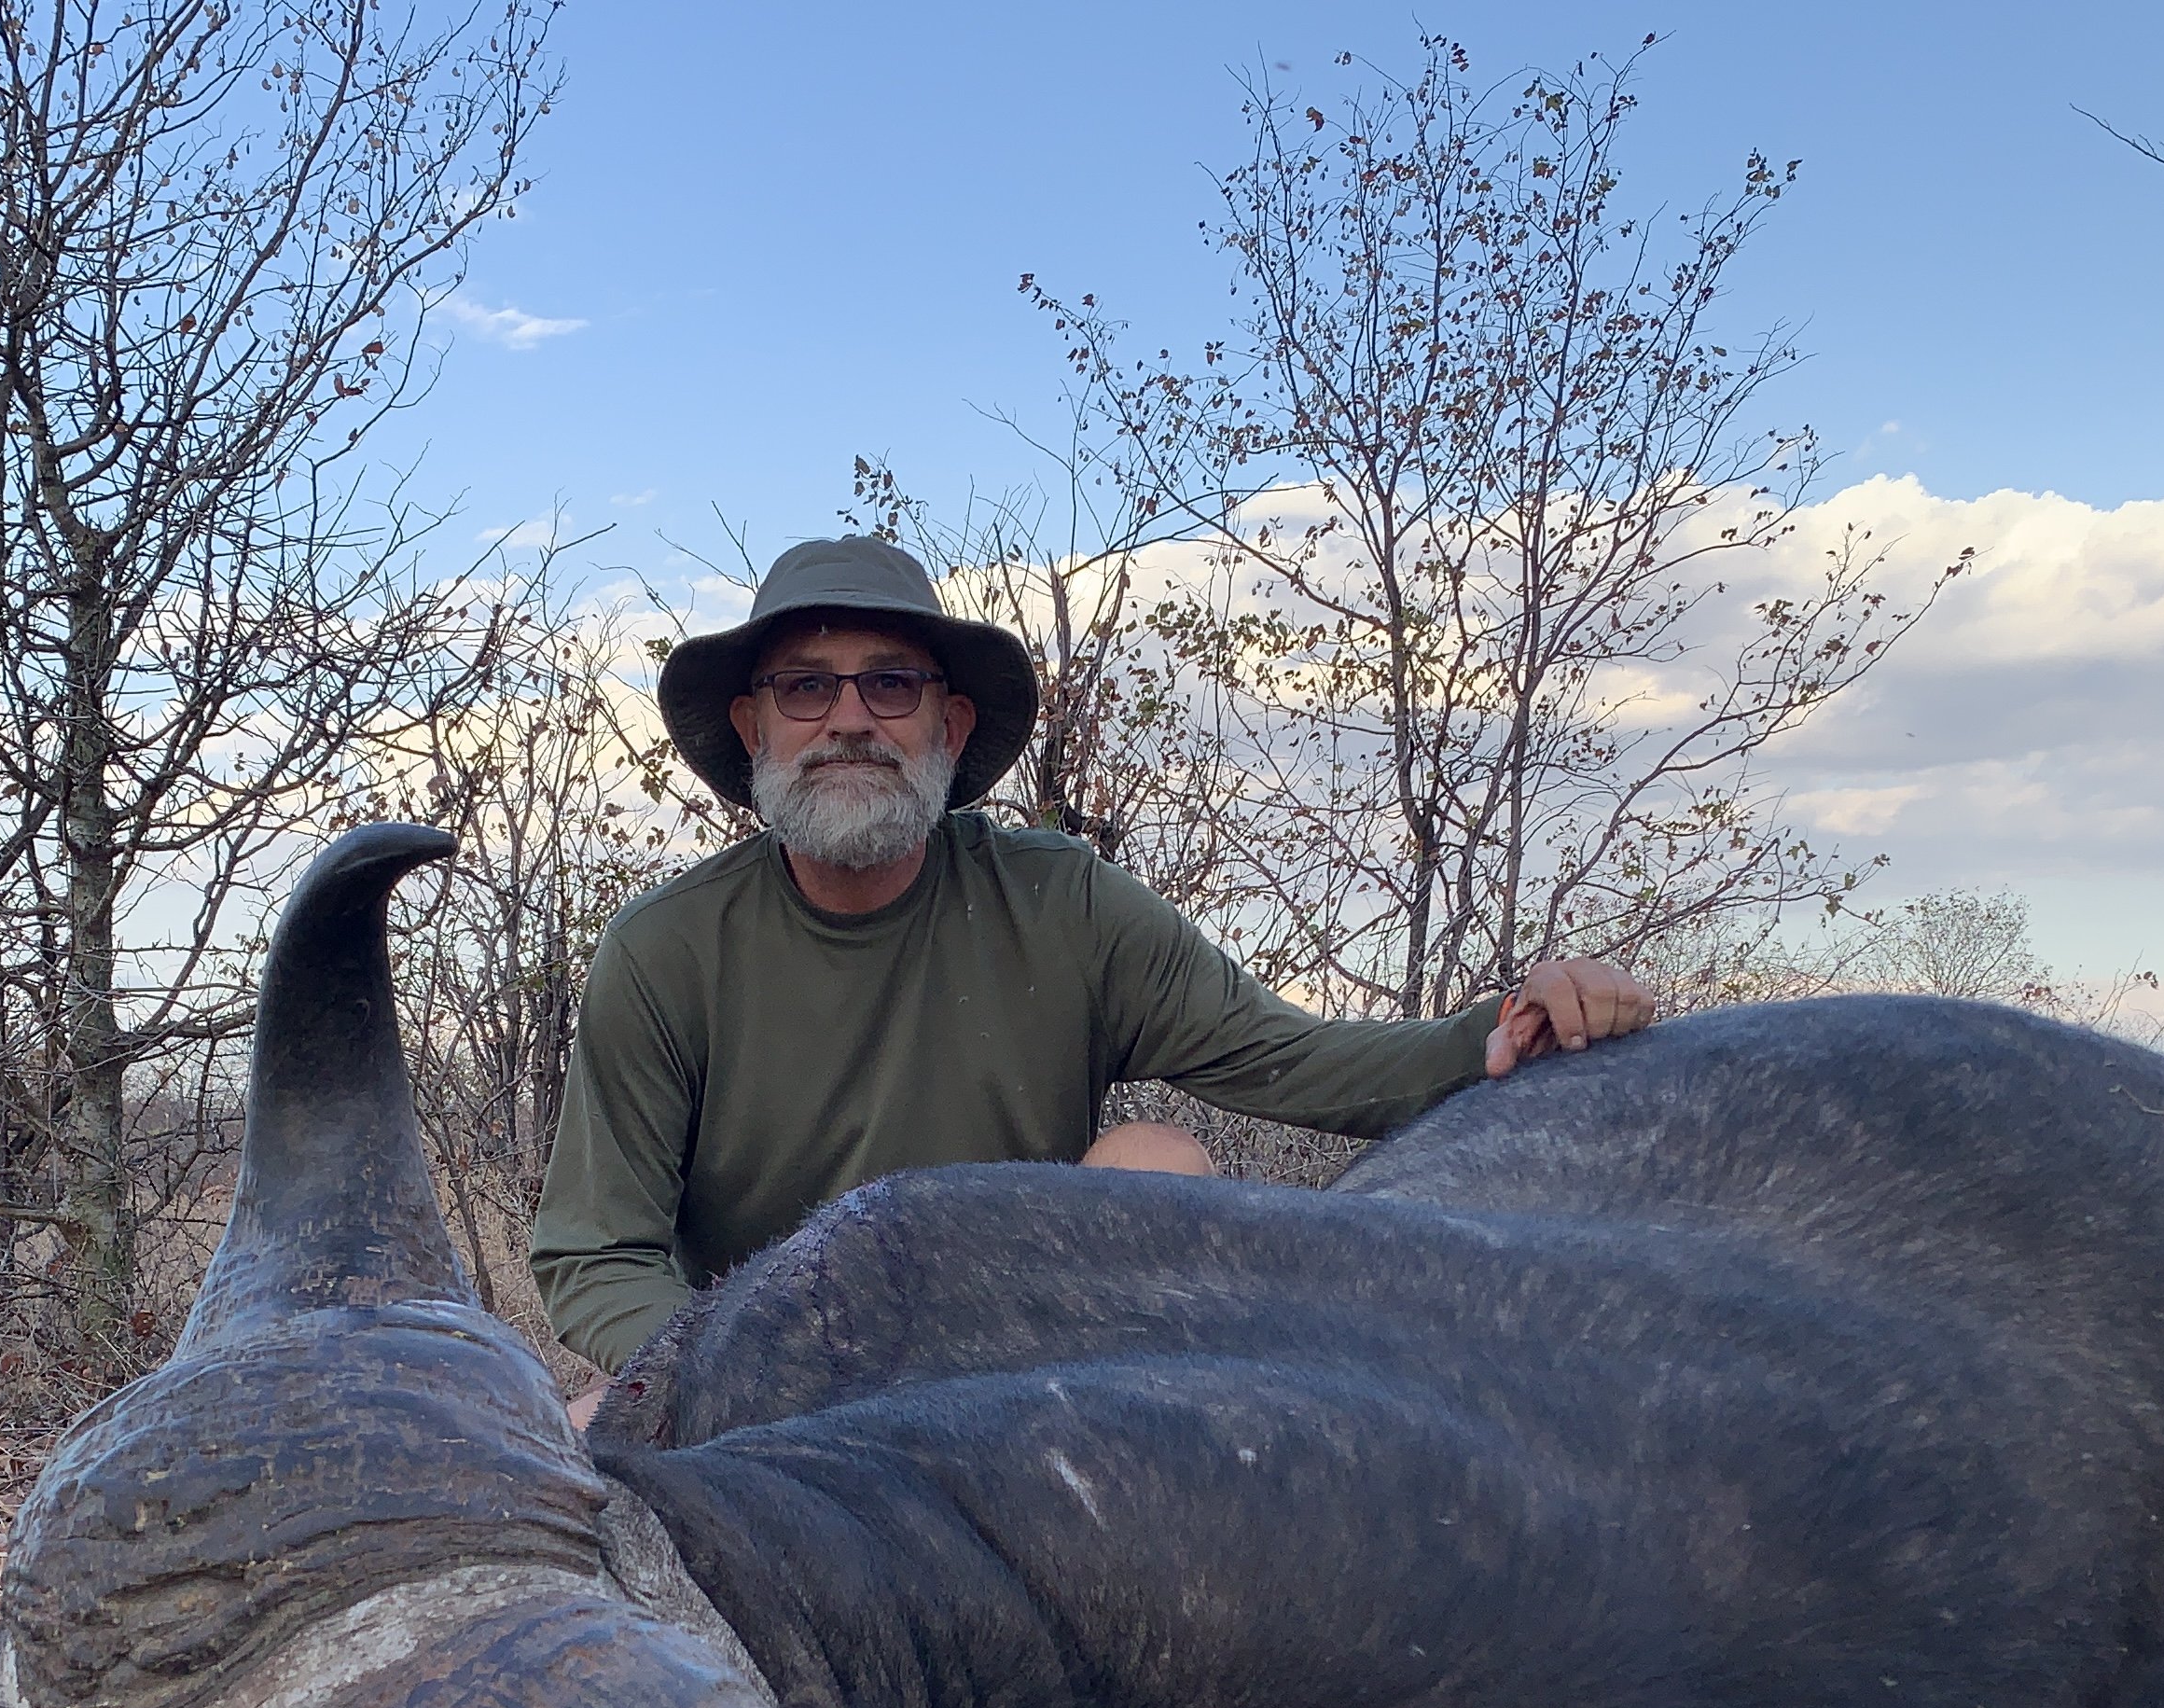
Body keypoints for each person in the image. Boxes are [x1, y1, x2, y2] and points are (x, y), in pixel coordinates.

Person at [530, 535, 1653, 1392]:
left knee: (1155, 1157)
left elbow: (1294, 1060)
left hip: (1019, 1371)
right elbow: (598, 1255)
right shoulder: (665, 949)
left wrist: (1503, 1030)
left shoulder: (1063, 899)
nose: (849, 720)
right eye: (807, 687)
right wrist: (733, 1372)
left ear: (952, 725)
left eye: (890, 684)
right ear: (755, 725)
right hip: (771, 1377)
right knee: (568, 1444)